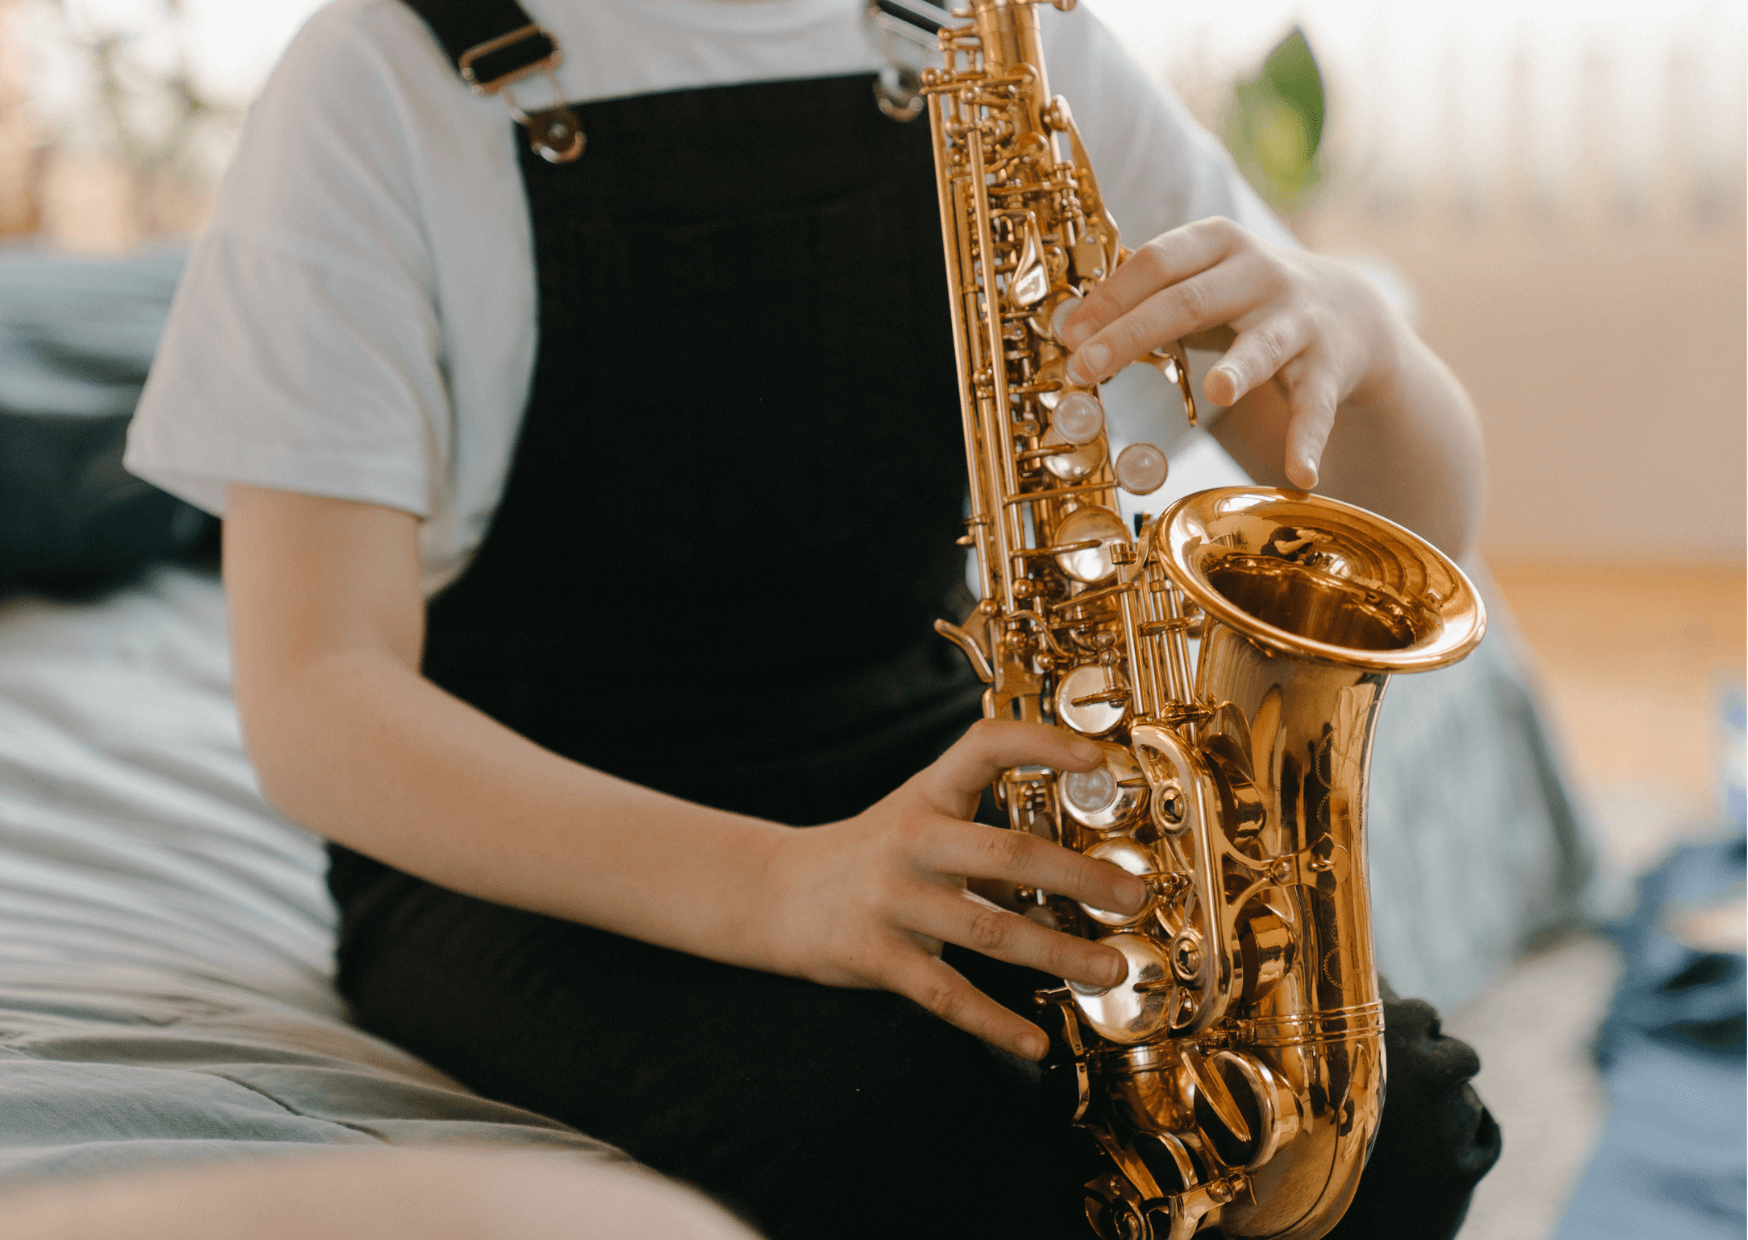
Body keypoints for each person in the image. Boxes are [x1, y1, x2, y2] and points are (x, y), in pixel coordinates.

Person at [125, 0, 1500, 1236]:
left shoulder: (1009, 35)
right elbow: (314, 699)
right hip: (533, 837)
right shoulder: (374, 75)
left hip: (925, 766)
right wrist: (784, 890)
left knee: (1387, 1123)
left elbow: (1403, 531)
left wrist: (1368, 345)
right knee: (923, 1152)